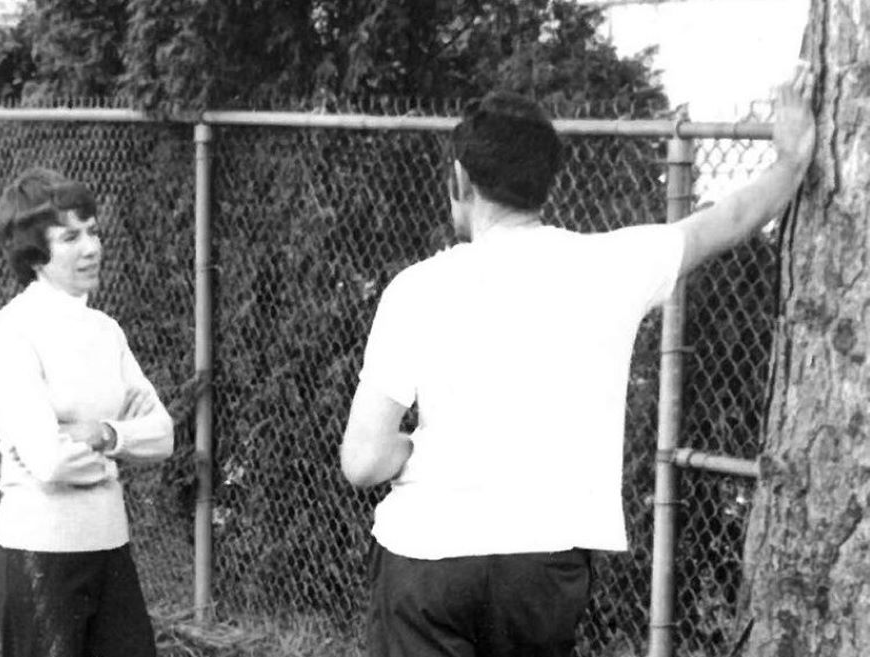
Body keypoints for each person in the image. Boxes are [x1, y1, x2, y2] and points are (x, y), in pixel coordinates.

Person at [340, 65, 815, 657]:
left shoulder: (415, 288)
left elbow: (362, 461)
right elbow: (728, 221)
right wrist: (791, 162)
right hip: (543, 566)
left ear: (460, 179)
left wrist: (409, 449)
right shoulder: (611, 267)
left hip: (425, 561)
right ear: (546, 180)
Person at [0, 167, 174, 657]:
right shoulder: (10, 334)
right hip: (38, 557)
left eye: (92, 230)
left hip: (110, 552)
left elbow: (164, 436)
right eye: (70, 236)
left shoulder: (106, 332)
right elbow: (51, 462)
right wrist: (123, 450)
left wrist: (104, 434)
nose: (91, 247)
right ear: (35, 254)